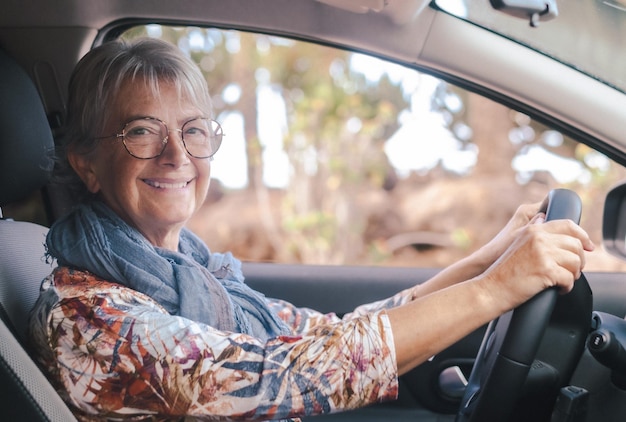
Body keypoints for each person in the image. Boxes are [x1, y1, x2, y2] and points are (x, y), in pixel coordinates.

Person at [28, 37, 594, 422]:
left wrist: (491, 260)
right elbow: (288, 374)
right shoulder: (89, 318)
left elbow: (336, 336)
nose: (177, 155)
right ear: (86, 166)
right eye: (141, 132)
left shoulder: (195, 280)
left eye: (194, 130)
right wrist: (495, 290)